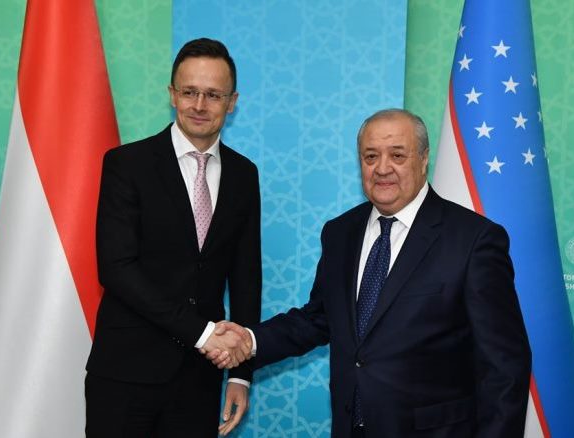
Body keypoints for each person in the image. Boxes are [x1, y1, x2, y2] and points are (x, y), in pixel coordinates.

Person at [208, 109, 532, 437]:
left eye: (397, 155)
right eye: (371, 156)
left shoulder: (473, 239)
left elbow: (505, 366)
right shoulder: (340, 233)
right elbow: (319, 318)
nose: (382, 168)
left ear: (423, 159)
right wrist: (249, 340)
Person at [85, 38, 260, 437]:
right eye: (189, 91)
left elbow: (246, 277)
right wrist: (203, 333)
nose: (199, 105)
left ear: (232, 102)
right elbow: (116, 268)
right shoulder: (127, 164)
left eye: (213, 95)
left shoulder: (244, 174)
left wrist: (241, 373)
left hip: (200, 379)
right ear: (172, 94)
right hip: (126, 374)